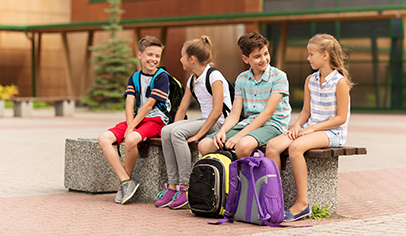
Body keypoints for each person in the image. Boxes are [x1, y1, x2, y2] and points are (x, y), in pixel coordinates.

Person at [266, 33, 352, 222]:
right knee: (272, 146)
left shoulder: (340, 82)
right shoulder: (310, 80)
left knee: (295, 147)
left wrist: (311, 129)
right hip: (310, 129)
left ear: (325, 55)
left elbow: (340, 118)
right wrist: (296, 126)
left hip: (332, 133)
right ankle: (274, 200)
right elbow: (306, 111)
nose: (308, 58)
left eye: (311, 54)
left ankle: (302, 204)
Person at [155, 36, 232, 209]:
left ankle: (186, 188)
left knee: (177, 133)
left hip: (219, 123)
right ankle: (173, 186)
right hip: (205, 120)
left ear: (192, 59)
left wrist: (197, 134)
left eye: (182, 56)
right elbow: (181, 110)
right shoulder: (192, 79)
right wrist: (172, 128)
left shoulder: (214, 76)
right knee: (167, 131)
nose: (180, 59)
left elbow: (217, 111)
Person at [98, 35, 170, 204]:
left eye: (157, 56)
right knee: (104, 139)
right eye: (149, 54)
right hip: (138, 119)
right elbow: (129, 106)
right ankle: (126, 182)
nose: (153, 59)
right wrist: (130, 125)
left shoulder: (162, 77)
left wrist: (132, 127)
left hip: (157, 120)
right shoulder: (134, 77)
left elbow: (149, 105)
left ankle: (125, 184)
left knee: (130, 139)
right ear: (140, 55)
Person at [198, 32, 291, 160]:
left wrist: (239, 136)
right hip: (248, 124)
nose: (264, 59)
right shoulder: (242, 79)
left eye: (266, 53)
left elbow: (268, 113)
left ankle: (243, 179)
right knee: (205, 145)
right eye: (257, 56)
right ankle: (226, 177)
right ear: (245, 59)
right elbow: (235, 114)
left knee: (242, 145)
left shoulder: (279, 77)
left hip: (273, 124)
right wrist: (223, 131)